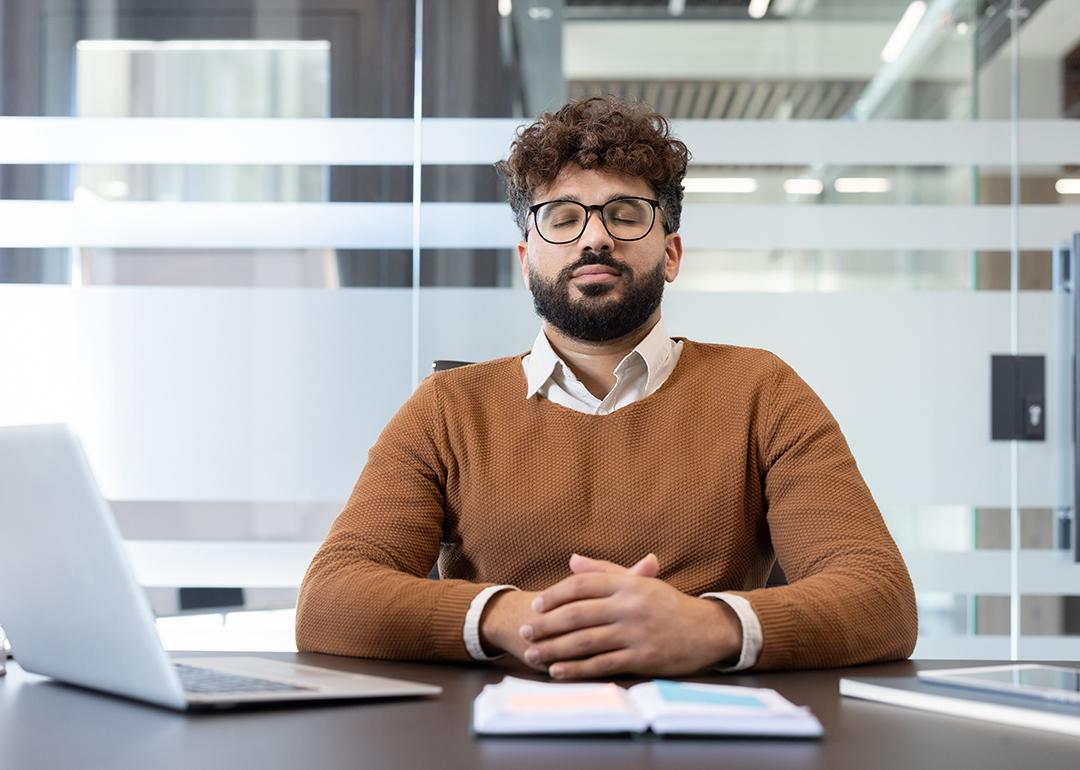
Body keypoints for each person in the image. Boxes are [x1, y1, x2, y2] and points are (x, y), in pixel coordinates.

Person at [295, 96, 917, 678]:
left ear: (671, 253)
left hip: (704, 727)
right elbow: (331, 597)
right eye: (563, 218)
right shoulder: (447, 410)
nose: (595, 237)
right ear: (526, 259)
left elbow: (879, 595)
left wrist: (713, 625)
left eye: (625, 215)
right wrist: (510, 616)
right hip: (499, 732)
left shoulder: (763, 391)